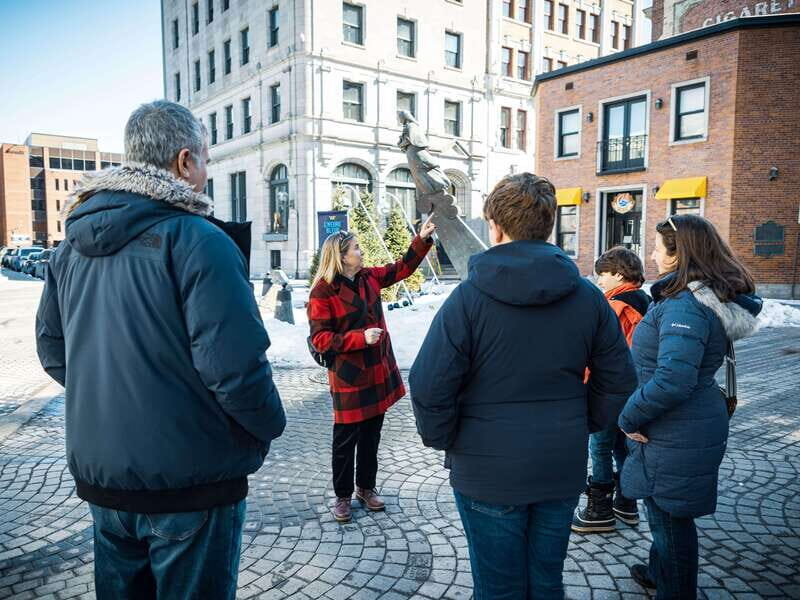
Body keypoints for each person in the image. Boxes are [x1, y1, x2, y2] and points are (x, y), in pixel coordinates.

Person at [35, 100, 286, 600]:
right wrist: (268, 428)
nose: (207, 174)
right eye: (206, 162)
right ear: (184, 162)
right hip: (190, 483)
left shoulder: (69, 248)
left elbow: (54, 351)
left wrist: (118, 397)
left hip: (105, 481)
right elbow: (234, 370)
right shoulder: (199, 239)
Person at [408, 173, 638, 600]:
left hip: (486, 469)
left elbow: (427, 385)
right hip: (557, 462)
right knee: (546, 581)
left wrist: (447, 439)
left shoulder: (468, 299)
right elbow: (619, 379)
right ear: (547, 225)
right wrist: (579, 422)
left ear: (495, 227)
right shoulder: (588, 298)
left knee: (498, 587)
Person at [619, 215, 762, 599]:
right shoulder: (695, 298)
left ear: (678, 254)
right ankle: (658, 571)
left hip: (674, 426)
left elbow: (673, 380)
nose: (651, 253)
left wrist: (629, 415)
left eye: (657, 246)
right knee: (666, 508)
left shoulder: (685, 306)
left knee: (670, 520)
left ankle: (675, 589)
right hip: (684, 423)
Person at [307, 218, 435, 523]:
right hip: (348, 376)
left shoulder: (368, 278)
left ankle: (365, 487)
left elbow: (402, 268)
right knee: (345, 440)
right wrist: (359, 338)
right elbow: (320, 339)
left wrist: (422, 238)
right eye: (356, 249)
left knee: (371, 436)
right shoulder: (322, 292)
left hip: (376, 369)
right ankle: (342, 496)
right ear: (341, 256)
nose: (362, 253)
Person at [572, 247, 652, 534]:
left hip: (610, 391)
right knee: (622, 446)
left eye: (603, 274)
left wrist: (584, 381)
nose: (599, 280)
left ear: (619, 274)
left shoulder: (616, 306)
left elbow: (605, 356)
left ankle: (600, 510)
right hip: (635, 392)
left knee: (600, 447)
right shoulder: (645, 300)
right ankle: (626, 503)